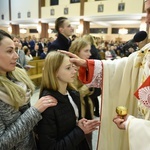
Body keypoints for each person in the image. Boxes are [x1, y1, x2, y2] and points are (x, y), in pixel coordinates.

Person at [58, 24, 150, 150]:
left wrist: (133, 125)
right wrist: (87, 65)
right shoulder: (146, 51)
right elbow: (124, 66)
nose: (148, 18)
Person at [0, 29, 57, 149]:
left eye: (15, 50)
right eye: (10, 51)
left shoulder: (16, 75)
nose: (16, 56)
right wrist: (35, 111)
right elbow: (2, 143)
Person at [36, 51, 100, 150]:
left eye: (73, 67)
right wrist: (79, 130)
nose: (74, 71)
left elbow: (71, 123)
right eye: (68, 68)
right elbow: (50, 147)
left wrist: (80, 123)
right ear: (55, 72)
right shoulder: (48, 103)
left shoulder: (73, 94)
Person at [69, 38, 94, 149]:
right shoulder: (71, 67)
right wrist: (88, 86)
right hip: (77, 109)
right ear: (77, 51)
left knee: (89, 138)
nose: (90, 53)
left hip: (86, 104)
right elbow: (73, 93)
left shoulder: (84, 66)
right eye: (86, 51)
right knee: (81, 140)